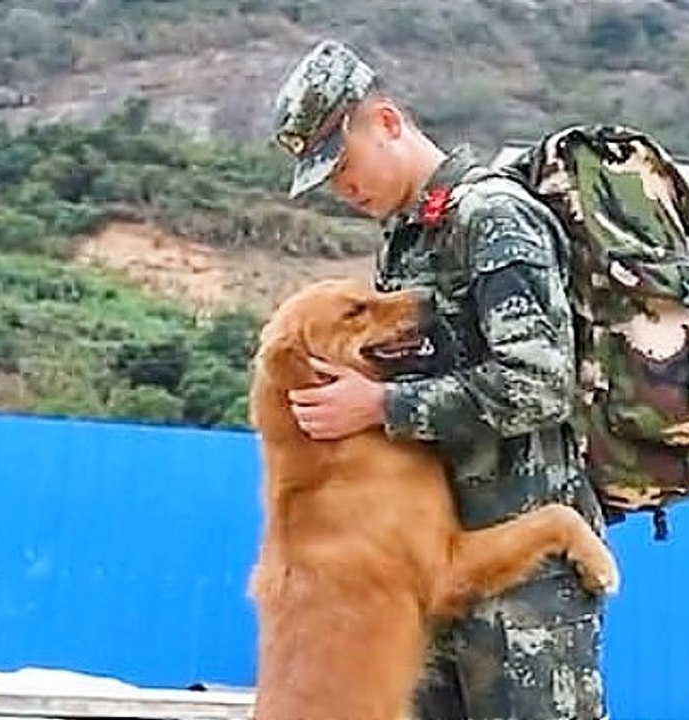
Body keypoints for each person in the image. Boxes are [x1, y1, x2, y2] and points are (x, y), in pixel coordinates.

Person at [268, 39, 612, 720]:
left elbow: (540, 383)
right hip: (434, 566)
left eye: (344, 165)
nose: (344, 189)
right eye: (329, 181)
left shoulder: (491, 218)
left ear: (388, 123)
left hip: (522, 581)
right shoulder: (408, 238)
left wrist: (382, 405)